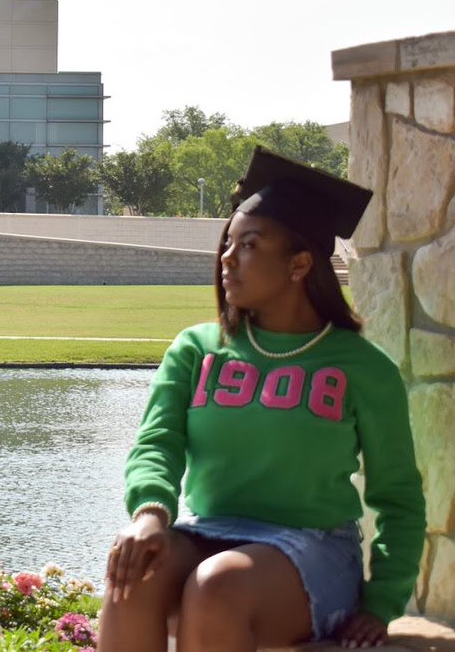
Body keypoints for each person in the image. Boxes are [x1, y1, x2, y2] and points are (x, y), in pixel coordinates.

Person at [98, 147, 425, 652]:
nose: (227, 258)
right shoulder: (196, 349)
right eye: (227, 243)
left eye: (248, 245)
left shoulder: (363, 368)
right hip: (209, 530)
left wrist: (379, 604)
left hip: (313, 547)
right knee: (134, 576)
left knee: (217, 585)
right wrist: (149, 516)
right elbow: (156, 445)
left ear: (299, 264)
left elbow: (398, 499)